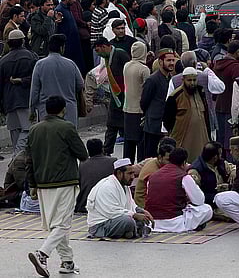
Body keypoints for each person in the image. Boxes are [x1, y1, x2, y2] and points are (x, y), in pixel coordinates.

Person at [26, 95, 89, 277]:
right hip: (65, 182)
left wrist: (32, 185)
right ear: (64, 109)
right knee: (62, 223)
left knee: (58, 225)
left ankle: (67, 261)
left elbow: (28, 160)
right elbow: (83, 154)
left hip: (42, 184)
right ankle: (42, 254)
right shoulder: (66, 127)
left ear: (46, 109)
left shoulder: (34, 130)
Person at [143, 147, 214, 233]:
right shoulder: (183, 176)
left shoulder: (153, 176)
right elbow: (199, 201)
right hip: (175, 223)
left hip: (153, 222)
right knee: (207, 209)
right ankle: (193, 225)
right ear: (184, 163)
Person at [86, 159, 153, 239]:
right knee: (128, 221)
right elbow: (112, 212)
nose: (133, 177)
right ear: (119, 173)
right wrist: (135, 215)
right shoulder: (107, 187)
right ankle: (133, 231)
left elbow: (131, 205)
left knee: (140, 218)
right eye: (129, 174)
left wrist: (142, 211)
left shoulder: (124, 185)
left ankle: (130, 231)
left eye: (133, 173)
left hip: (116, 219)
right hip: (101, 225)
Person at [29, 34, 84, 128]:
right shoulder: (71, 64)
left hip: (46, 112)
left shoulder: (40, 65)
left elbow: (34, 91)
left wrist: (32, 110)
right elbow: (80, 84)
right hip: (68, 111)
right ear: (61, 48)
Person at [0, 29, 38, 151]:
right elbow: (36, 78)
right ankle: (18, 154)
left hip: (9, 101)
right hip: (25, 99)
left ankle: (17, 156)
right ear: (22, 41)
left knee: (14, 131)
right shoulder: (31, 56)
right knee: (28, 129)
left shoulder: (3, 61)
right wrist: (22, 81)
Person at [163, 67, 210, 162]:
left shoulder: (201, 92)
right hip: (182, 137)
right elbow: (167, 119)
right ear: (183, 80)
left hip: (201, 137)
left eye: (194, 80)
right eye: (189, 80)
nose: (192, 83)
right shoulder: (175, 96)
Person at [141, 49, 177, 160]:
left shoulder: (171, 79)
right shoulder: (152, 80)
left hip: (166, 125)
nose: (171, 63)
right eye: (168, 60)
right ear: (161, 62)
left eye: (173, 60)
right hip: (153, 126)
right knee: (151, 157)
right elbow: (144, 102)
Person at [122, 40, 149, 162]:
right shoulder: (144, 69)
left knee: (128, 142)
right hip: (139, 109)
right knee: (141, 142)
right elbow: (147, 89)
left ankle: (127, 165)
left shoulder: (126, 66)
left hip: (127, 108)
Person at [74, 138, 116, 213]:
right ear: (102, 149)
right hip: (108, 205)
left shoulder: (83, 164)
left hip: (85, 205)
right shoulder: (113, 161)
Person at [188, 142, 235, 206]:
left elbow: (233, 167)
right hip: (208, 203)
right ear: (215, 157)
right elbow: (194, 194)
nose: (221, 156)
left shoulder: (221, 163)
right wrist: (215, 196)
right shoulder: (195, 171)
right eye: (220, 154)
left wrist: (233, 172)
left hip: (224, 198)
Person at [134, 137, 176, 208]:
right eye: (168, 160)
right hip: (147, 207)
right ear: (160, 157)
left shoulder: (163, 163)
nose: (171, 162)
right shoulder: (154, 172)